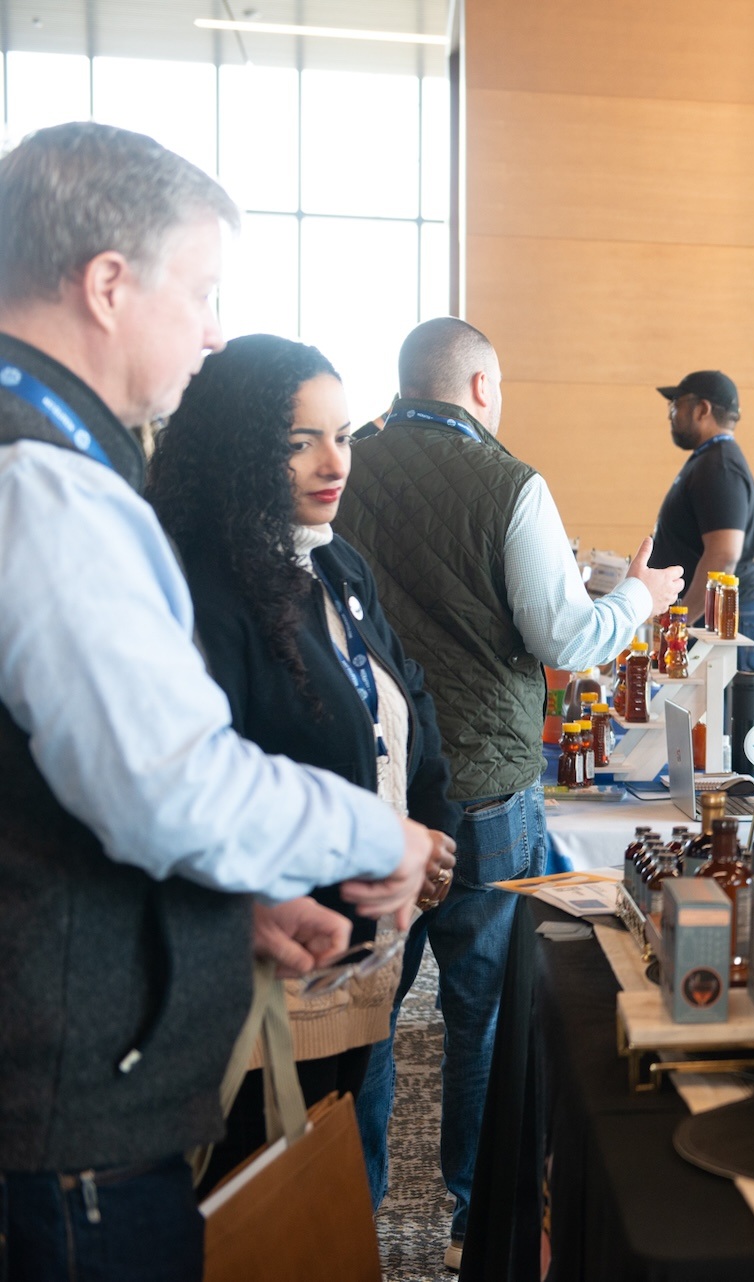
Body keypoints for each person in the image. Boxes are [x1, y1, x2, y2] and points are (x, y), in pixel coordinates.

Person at [0, 122, 434, 1281]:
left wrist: (224, 906)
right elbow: (162, 780)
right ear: (106, 284)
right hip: (65, 1104)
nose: (210, 327)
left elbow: (50, 790)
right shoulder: (44, 479)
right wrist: (373, 830)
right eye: (198, 289)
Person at [335, 316, 684, 1270]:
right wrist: (644, 596)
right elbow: (566, 641)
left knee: (365, 1007)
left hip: (375, 784)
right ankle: (464, 1221)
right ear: (483, 387)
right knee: (480, 1007)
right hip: (485, 784)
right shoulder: (510, 484)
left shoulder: (345, 463)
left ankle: (345, 1214)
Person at [146, 334, 464, 1192]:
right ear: (244, 449)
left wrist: (431, 838)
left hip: (363, 956)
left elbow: (410, 704)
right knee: (262, 1202)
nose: (335, 463)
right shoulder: (204, 589)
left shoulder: (334, 562)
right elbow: (208, 781)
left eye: (345, 434)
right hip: (265, 971)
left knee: (341, 1181)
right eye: (300, 442)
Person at [651, 369, 754, 675]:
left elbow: (723, 554)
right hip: (715, 615)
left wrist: (682, 621)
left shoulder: (719, 466)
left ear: (702, 409)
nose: (671, 415)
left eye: (676, 405)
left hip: (729, 616)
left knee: (726, 719)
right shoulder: (709, 460)